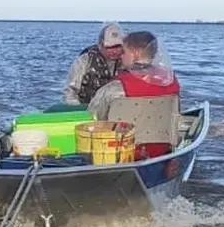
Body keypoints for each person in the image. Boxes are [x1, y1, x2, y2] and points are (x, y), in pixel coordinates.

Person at [87, 30, 181, 158]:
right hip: (161, 151)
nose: (120, 56)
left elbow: (93, 117)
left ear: (135, 54)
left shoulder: (116, 88)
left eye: (124, 52)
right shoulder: (171, 81)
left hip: (120, 153)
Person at [63, 23, 125, 106]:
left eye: (118, 47)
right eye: (109, 47)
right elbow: (70, 92)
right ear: (101, 45)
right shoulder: (85, 61)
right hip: (87, 110)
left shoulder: (126, 61)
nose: (114, 51)